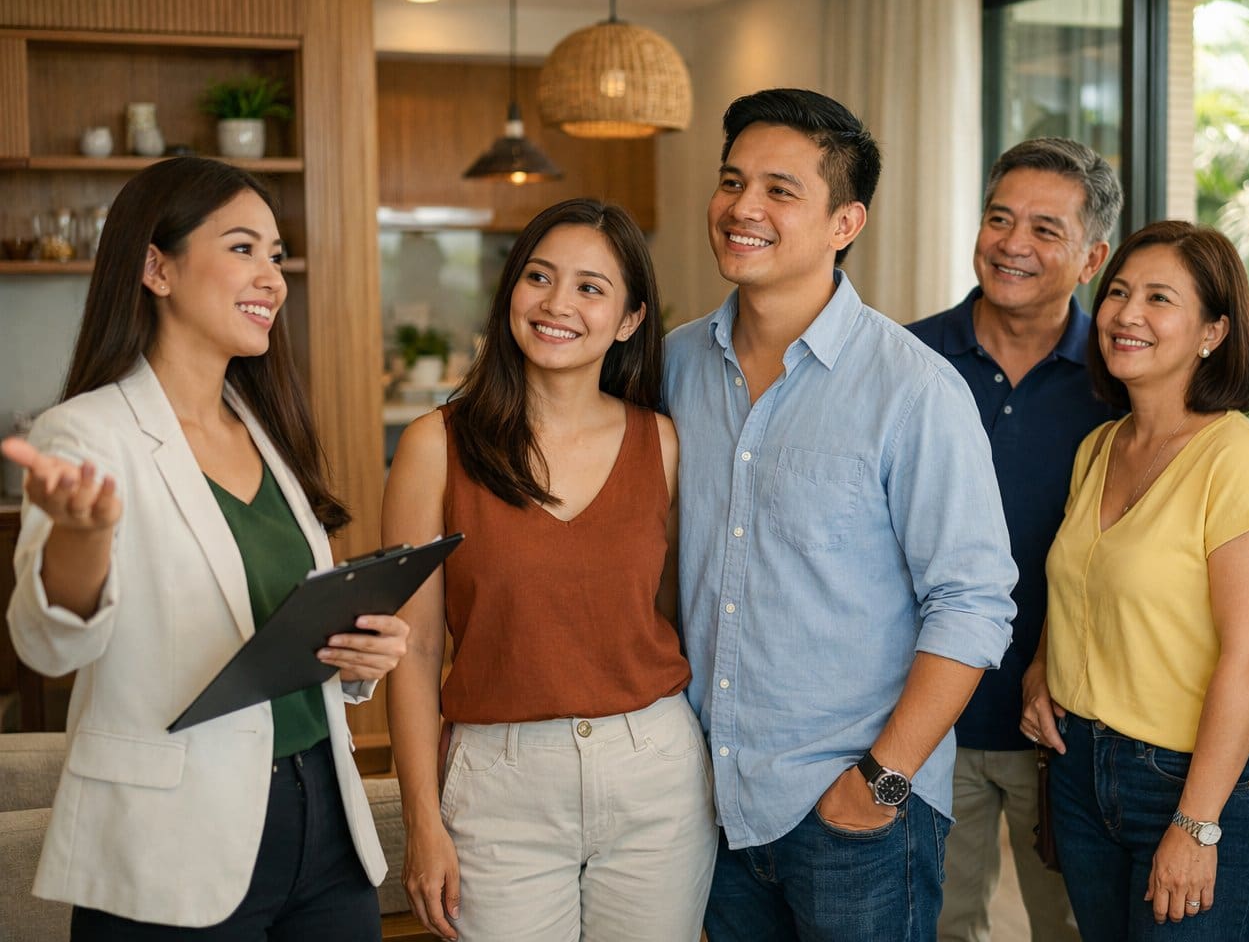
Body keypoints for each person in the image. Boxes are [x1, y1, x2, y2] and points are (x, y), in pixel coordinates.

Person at [2, 156, 409, 939]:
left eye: (276, 254)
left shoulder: (266, 430)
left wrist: (357, 654)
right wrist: (84, 537)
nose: (272, 277)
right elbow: (49, 645)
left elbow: (284, 628)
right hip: (172, 842)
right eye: (242, 248)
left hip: (324, 822)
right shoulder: (86, 433)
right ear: (157, 267)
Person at [662, 87, 1017, 941]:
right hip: (707, 801)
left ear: (844, 223)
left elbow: (973, 604)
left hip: (857, 814)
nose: (743, 208)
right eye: (731, 180)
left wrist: (881, 780)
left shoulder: (914, 389)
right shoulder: (671, 366)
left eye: (780, 190)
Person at [383, 198, 716, 942]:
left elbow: (665, 610)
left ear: (630, 319)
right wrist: (422, 819)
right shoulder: (434, 445)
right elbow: (413, 650)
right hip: (499, 781)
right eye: (539, 277)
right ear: (511, 291)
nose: (557, 303)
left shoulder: (662, 443)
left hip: (653, 771)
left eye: (591, 288)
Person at [1022, 220, 1249, 941]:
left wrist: (1197, 824)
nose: (1126, 314)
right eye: (1117, 292)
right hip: (1084, 768)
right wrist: (1041, 670)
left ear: (1213, 331)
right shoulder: (1101, 446)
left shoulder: (1236, 458)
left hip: (1202, 782)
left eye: (1159, 298)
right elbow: (1082, 580)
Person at [907, 137, 1122, 942]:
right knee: (936, 925)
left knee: (1073, 930)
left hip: (1067, 725)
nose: (1012, 245)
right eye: (1000, 219)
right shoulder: (906, 360)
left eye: (1043, 229)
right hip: (928, 714)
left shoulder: (1122, 376)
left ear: (1091, 255)